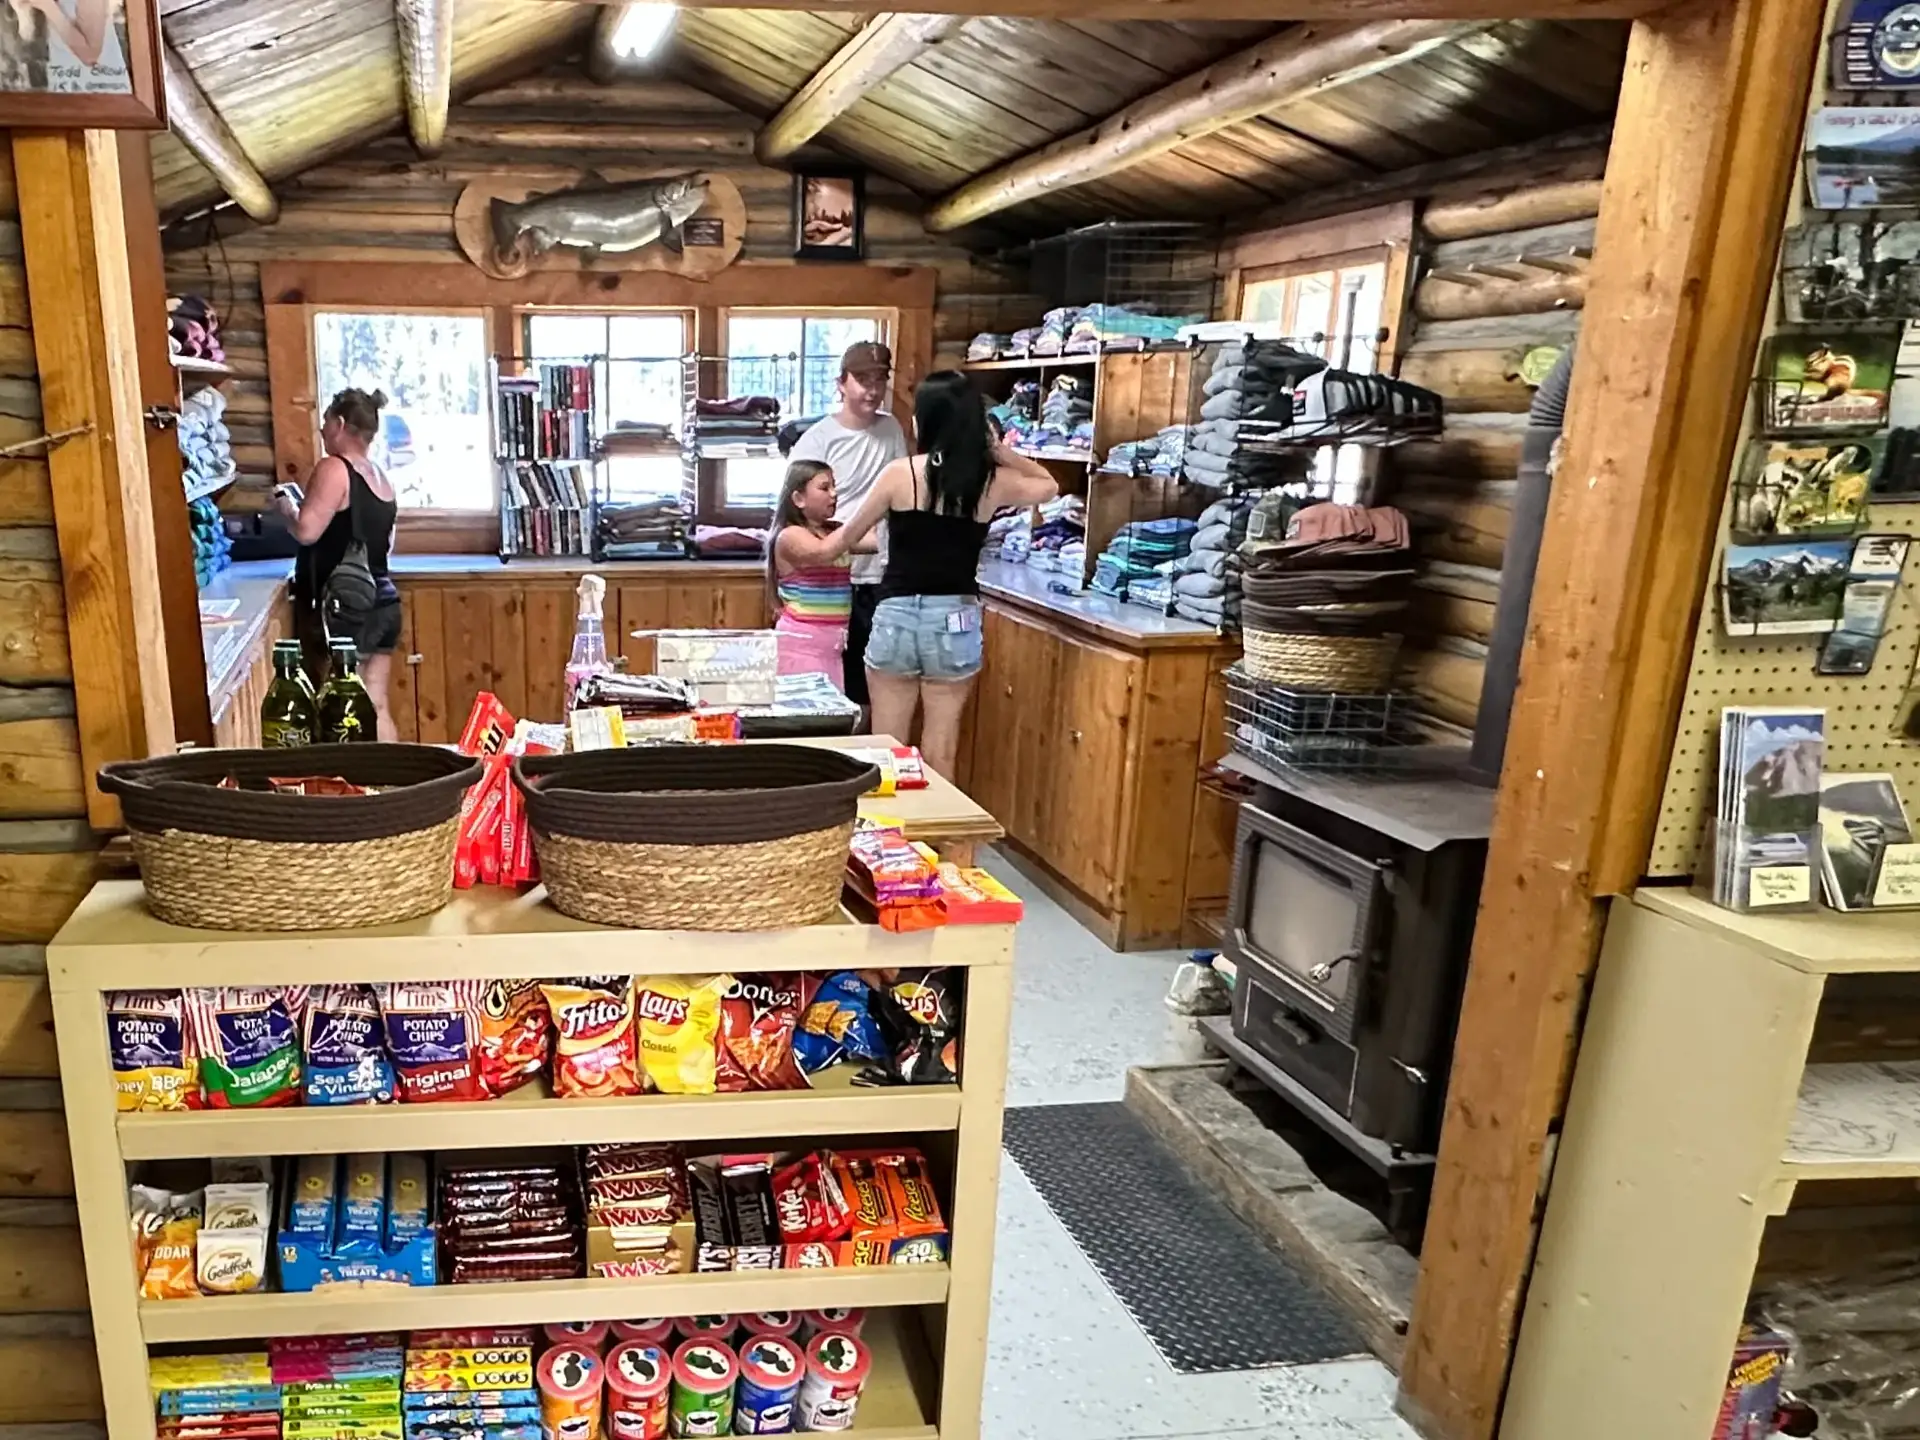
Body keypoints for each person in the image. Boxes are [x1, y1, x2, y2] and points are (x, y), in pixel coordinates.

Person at [823, 371, 1057, 779]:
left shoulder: (901, 474)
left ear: (925, 421)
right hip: (956, 619)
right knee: (941, 750)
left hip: (896, 614)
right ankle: (942, 843)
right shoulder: (990, 482)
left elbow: (844, 539)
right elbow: (1049, 485)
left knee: (888, 751)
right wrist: (996, 449)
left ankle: (889, 841)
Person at [275, 388, 403, 742]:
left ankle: (348, 789)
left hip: (345, 606)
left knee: (338, 707)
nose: (321, 430)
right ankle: (390, 786)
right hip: (383, 601)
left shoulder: (334, 468)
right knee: (375, 703)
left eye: (326, 421)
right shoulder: (381, 477)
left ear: (341, 424)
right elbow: (387, 544)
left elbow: (306, 530)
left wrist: (285, 506)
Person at [786, 341, 908, 709]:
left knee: (870, 683)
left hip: (880, 577)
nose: (872, 389)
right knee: (822, 685)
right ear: (841, 383)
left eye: (879, 379)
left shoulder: (892, 430)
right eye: (861, 379)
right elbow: (795, 515)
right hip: (829, 581)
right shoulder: (818, 440)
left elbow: (902, 492)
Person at [765, 459, 875, 679]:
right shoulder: (790, 535)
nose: (834, 494)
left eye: (834, 486)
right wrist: (870, 510)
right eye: (825, 488)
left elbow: (875, 542)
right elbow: (823, 552)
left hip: (832, 648)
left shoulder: (835, 532)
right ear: (798, 499)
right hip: (801, 646)